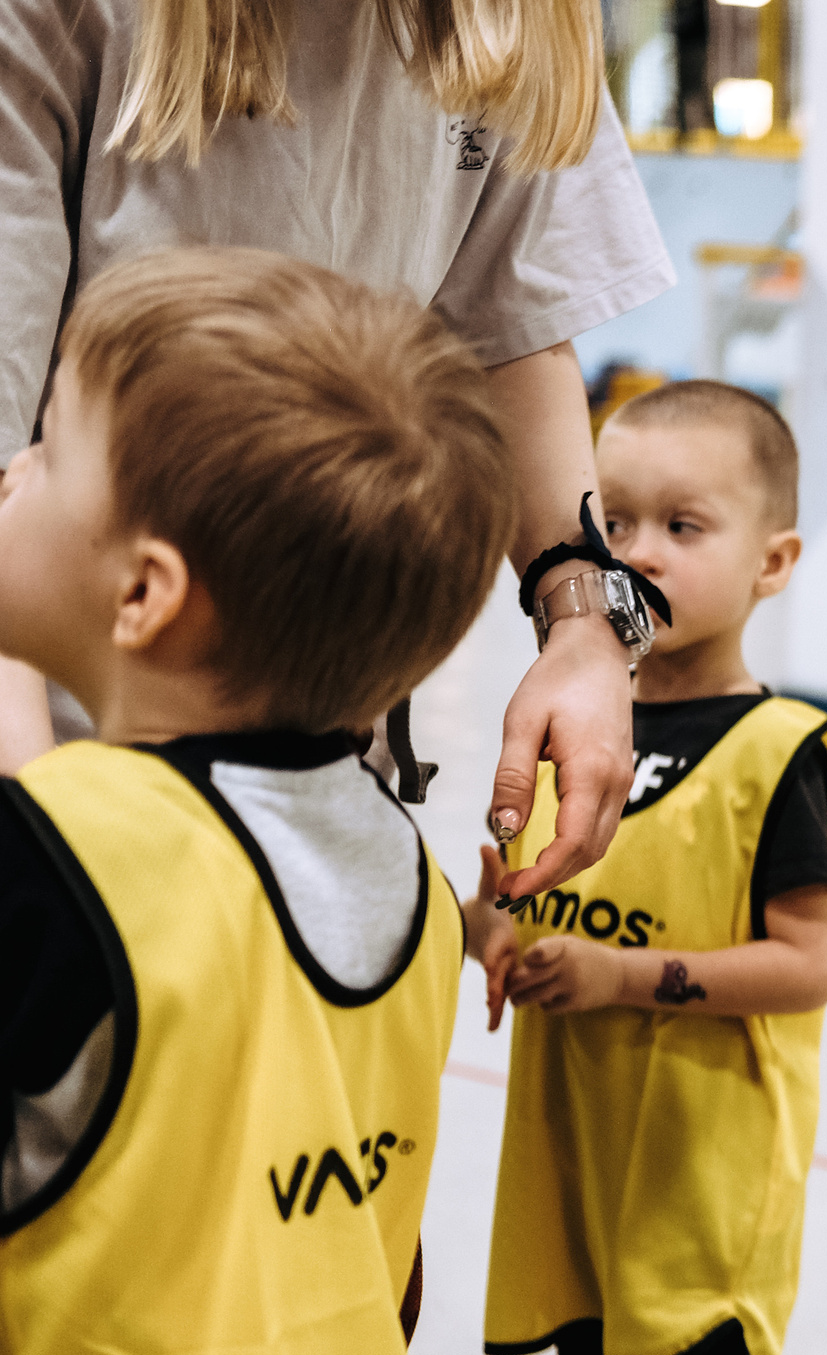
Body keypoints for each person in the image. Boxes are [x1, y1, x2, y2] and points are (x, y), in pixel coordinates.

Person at [0, 248, 513, 1355]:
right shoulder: (411, 886)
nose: (11, 471)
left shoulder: (56, 862)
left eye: (47, 449)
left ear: (145, 590)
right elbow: (377, 1276)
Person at [0, 0, 676, 903]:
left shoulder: (513, 20)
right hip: (63, 741)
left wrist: (586, 624)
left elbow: (510, 319)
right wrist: (45, 844)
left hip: (315, 774)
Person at [467, 380, 827, 1355]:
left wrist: (627, 974)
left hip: (697, 1174)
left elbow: (806, 965)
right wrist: (490, 925)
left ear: (772, 562)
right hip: (584, 1170)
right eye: (612, 519)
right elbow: (537, 899)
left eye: (682, 524)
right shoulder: (578, 732)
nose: (635, 551)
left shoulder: (777, 746)